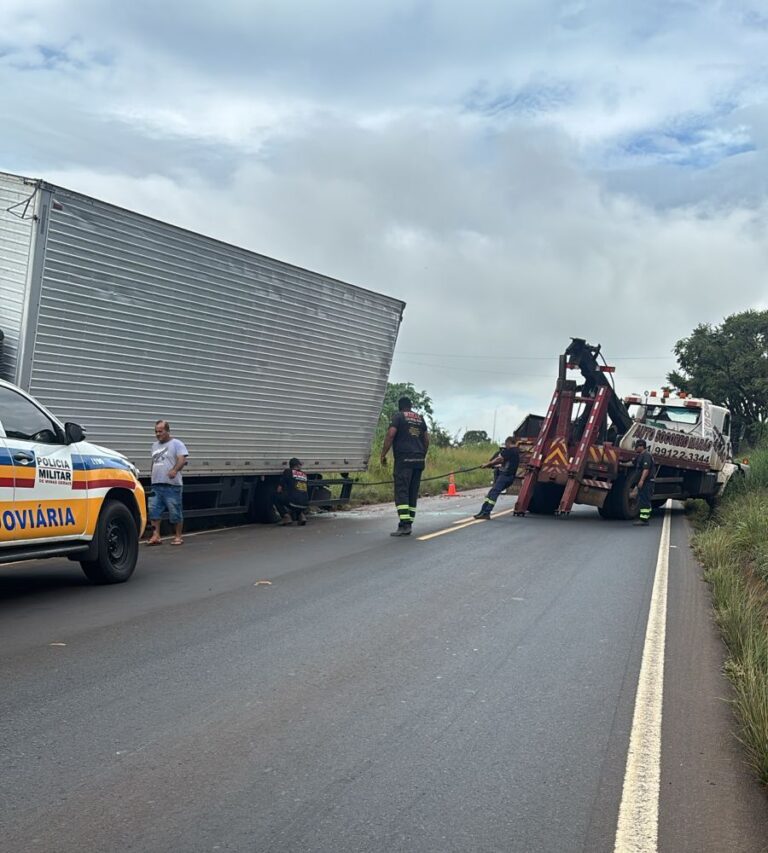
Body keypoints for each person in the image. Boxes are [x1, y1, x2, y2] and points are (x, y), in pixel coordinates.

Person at [380, 396, 430, 537]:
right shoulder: (420, 418)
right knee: (412, 492)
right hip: (418, 461)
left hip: (404, 461)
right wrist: (422, 455)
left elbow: (390, 435)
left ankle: (404, 525)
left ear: (399, 406)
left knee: (402, 491)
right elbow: (426, 439)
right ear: (411, 405)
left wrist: (383, 454)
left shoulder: (398, 417)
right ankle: (409, 523)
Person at [147, 420, 189, 545]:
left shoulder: (177, 444)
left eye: (160, 431)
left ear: (168, 431)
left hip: (172, 485)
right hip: (156, 484)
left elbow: (182, 459)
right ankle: (156, 536)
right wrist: (152, 476)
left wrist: (175, 470)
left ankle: (178, 536)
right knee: (154, 511)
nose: (158, 434)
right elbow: (154, 462)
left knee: (175, 511)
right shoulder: (154, 446)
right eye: (156, 431)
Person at [474, 436, 520, 519]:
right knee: (492, 493)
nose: (505, 446)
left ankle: (486, 512)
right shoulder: (516, 452)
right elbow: (501, 462)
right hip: (509, 477)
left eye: (506, 444)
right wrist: (491, 465)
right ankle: (483, 511)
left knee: (494, 492)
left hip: (505, 476)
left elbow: (499, 459)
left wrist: (488, 464)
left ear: (508, 443)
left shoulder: (510, 451)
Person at [274, 457, 309, 526]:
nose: (300, 466)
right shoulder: (304, 474)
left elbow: (279, 489)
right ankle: (302, 516)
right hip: (305, 504)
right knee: (298, 496)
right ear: (297, 465)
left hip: (293, 502)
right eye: (300, 465)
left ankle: (286, 517)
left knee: (276, 496)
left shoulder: (288, 472)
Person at [631, 438, 655, 526]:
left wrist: (641, 480)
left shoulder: (646, 456)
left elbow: (646, 469)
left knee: (645, 500)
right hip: (644, 482)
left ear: (642, 446)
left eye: (637, 446)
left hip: (647, 482)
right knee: (642, 499)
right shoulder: (640, 455)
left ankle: (644, 520)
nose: (636, 448)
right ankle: (644, 518)